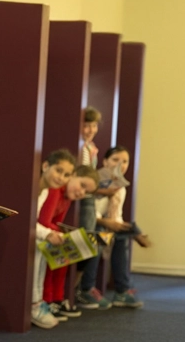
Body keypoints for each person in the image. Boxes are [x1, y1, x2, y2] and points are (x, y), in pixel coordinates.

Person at [39, 165, 100, 321]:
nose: (81, 192)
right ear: (72, 176)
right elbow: (45, 221)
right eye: (82, 185)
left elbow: (57, 222)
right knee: (55, 260)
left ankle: (57, 299)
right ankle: (47, 299)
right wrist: (61, 234)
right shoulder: (55, 192)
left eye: (86, 192)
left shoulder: (67, 198)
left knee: (64, 260)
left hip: (50, 235)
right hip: (41, 235)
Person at [94, 146, 151, 308]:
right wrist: (108, 224)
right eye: (115, 160)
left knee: (122, 235)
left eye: (125, 161)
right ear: (105, 162)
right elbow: (91, 212)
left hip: (108, 225)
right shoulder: (98, 181)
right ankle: (89, 289)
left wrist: (132, 230)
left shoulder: (120, 186)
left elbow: (116, 216)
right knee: (107, 235)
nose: (121, 164)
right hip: (95, 225)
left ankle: (122, 291)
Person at [31, 149, 77, 329]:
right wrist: (47, 234)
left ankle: (38, 299)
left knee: (45, 245)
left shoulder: (47, 191)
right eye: (58, 170)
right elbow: (26, 221)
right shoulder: (33, 186)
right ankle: (34, 303)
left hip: (33, 233)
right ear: (45, 166)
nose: (61, 178)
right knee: (39, 245)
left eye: (66, 175)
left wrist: (51, 234)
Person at [75, 106, 115, 310]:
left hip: (90, 198)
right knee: (86, 242)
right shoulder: (81, 148)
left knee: (92, 241)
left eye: (93, 125)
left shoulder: (90, 148)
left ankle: (82, 287)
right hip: (85, 199)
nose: (90, 129)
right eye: (86, 124)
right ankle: (80, 289)